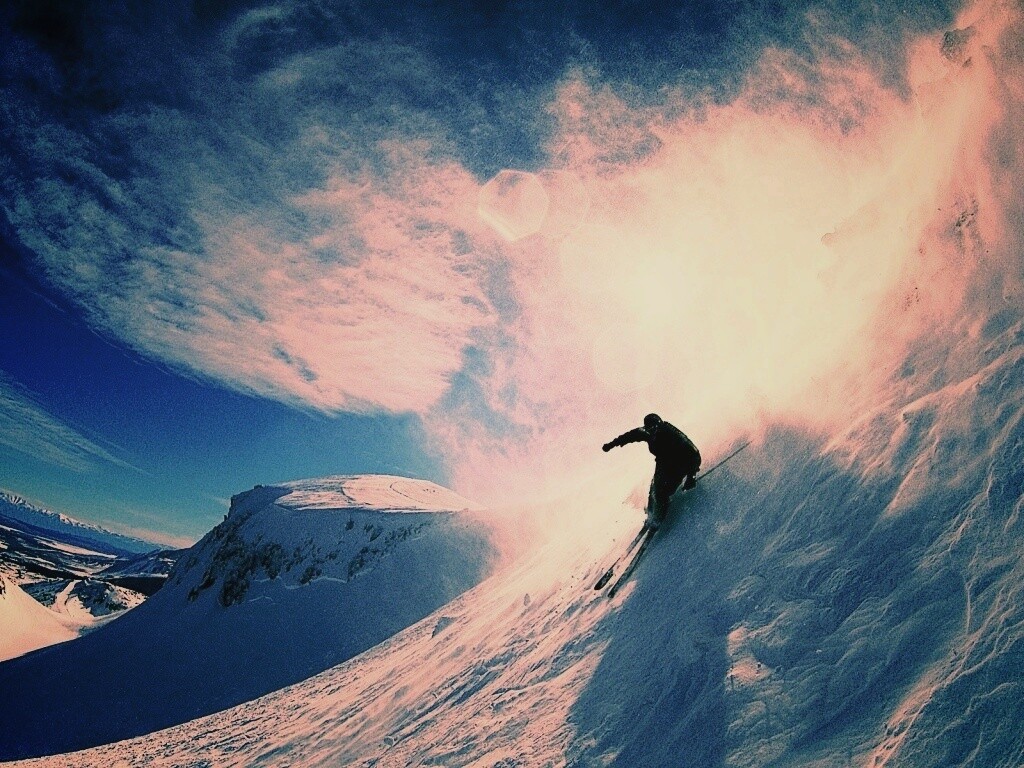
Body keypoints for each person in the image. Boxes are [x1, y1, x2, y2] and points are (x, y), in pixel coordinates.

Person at [602, 413, 701, 529]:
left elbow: (694, 453)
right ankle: (651, 515)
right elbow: (629, 436)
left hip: (680, 463)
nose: (653, 432)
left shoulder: (671, 433)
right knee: (653, 488)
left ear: (659, 425)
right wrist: (611, 444)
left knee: (661, 492)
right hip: (663, 463)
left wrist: (691, 476)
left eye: (654, 428)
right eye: (649, 429)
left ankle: (659, 517)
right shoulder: (646, 433)